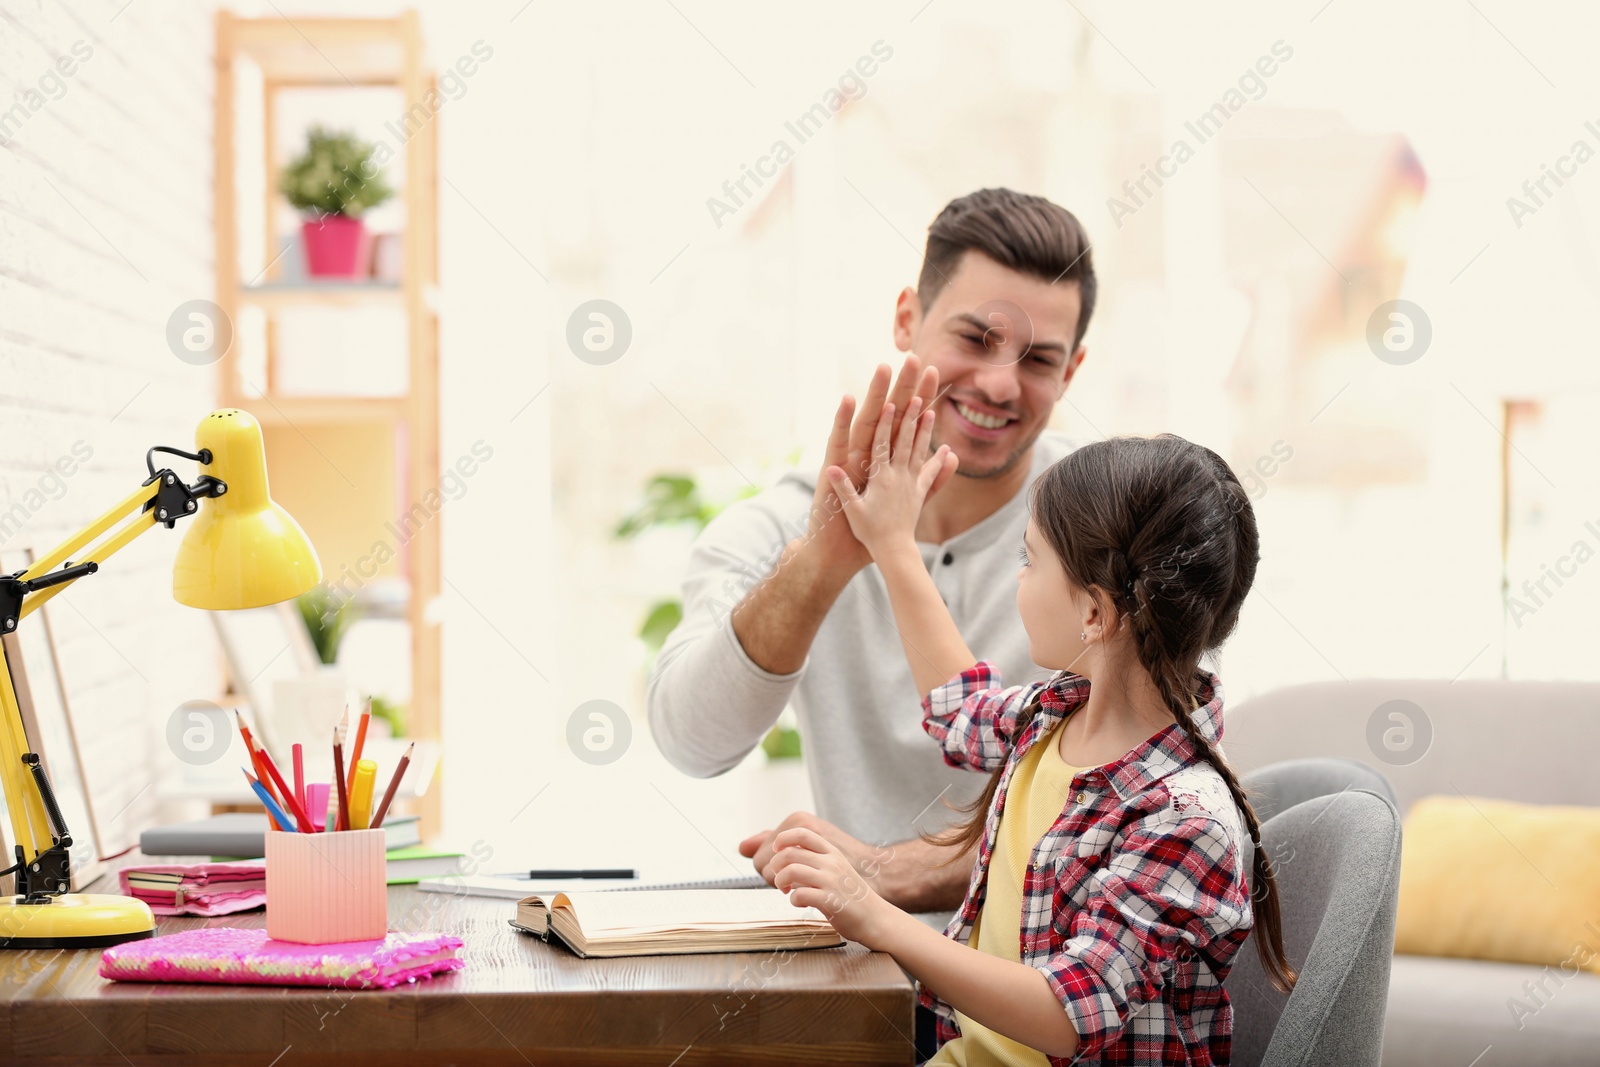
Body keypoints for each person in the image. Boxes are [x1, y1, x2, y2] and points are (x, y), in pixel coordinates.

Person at [767, 416, 1298, 1065]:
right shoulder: (1060, 717)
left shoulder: (1184, 817)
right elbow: (959, 705)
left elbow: (1069, 1013)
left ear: (1094, 613)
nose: (1019, 578)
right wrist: (891, 542)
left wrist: (875, 915)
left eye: (1030, 559)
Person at [647, 189, 1097, 916]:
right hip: (863, 987)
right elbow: (691, 740)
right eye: (974, 339)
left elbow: (1142, 794)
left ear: (1071, 372)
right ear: (906, 319)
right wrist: (821, 563)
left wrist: (891, 871)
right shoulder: (783, 522)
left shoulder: (1117, 523)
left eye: (1039, 359)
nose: (998, 383)